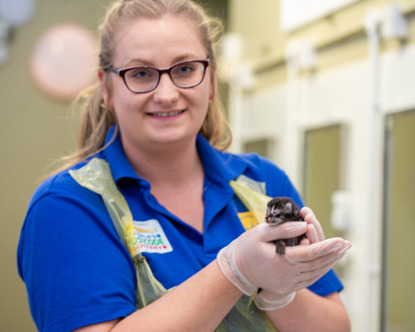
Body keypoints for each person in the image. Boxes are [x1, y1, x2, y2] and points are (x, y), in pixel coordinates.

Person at [17, 0, 352, 331]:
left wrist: (280, 293)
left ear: (211, 79)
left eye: (185, 69)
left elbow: (336, 326)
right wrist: (234, 271)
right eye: (142, 73)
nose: (166, 93)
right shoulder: (68, 205)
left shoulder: (261, 181)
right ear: (106, 87)